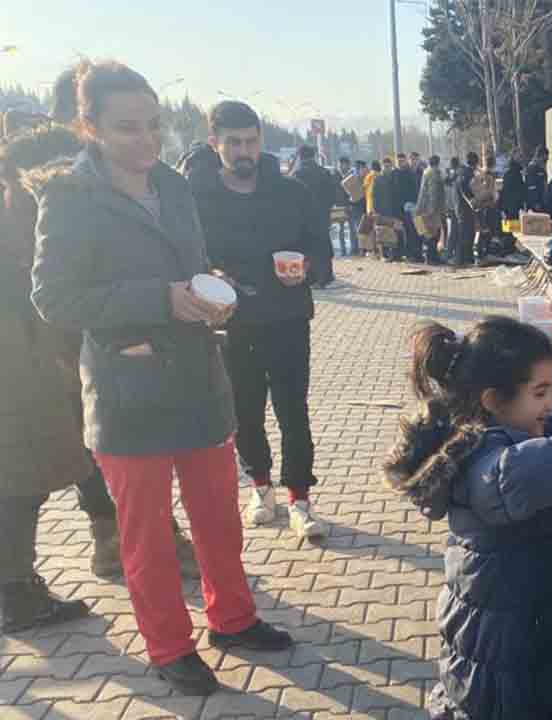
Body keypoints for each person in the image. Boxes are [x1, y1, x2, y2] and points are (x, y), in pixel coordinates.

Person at [29, 62, 291, 695]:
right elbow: (54, 297)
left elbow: (191, 266)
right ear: (87, 126)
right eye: (127, 128)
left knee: (218, 517)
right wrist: (162, 299)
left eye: (153, 126)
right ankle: (169, 648)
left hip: (199, 377)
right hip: (128, 389)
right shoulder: (68, 195)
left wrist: (213, 293)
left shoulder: (173, 187)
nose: (145, 140)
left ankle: (232, 618)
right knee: (145, 536)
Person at [383, 316, 552, 720]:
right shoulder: (487, 464)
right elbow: (528, 471)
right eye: (541, 392)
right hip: (501, 660)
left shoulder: (516, 428)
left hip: (531, 633)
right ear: (493, 400)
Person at [190, 100, 329, 541]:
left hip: (288, 318)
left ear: (261, 141)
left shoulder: (292, 194)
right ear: (215, 144)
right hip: (232, 322)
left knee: (293, 410)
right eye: (233, 142)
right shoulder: (198, 200)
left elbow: (322, 252)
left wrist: (307, 267)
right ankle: (261, 488)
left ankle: (300, 498)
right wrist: (208, 277)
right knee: (244, 411)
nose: (243, 150)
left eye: (251, 141)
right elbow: (188, 259)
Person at [0, 125, 95, 633]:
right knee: (17, 484)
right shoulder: (17, 228)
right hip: (17, 375)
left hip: (33, 370)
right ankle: (15, 593)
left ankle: (19, 582)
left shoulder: (27, 223)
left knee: (25, 484)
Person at [291, 145, 339, 287]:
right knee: (324, 246)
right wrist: (325, 210)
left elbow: (294, 200)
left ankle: (313, 279)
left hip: (305, 219)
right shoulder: (324, 172)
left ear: (300, 156)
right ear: (314, 155)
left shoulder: (298, 174)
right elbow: (332, 195)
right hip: (323, 217)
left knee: (309, 249)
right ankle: (327, 276)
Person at [416, 155, 447, 264]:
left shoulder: (426, 172)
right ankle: (432, 258)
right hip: (432, 209)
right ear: (437, 163)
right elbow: (433, 193)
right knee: (434, 233)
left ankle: (431, 257)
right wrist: (433, 210)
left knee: (429, 233)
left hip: (425, 207)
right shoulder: (434, 173)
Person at [450, 153, 478, 266]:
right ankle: (461, 259)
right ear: (476, 162)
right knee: (465, 233)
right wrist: (471, 200)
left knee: (467, 232)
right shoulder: (466, 173)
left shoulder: (464, 172)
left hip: (461, 207)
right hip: (463, 208)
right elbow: (464, 188)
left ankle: (466, 258)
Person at [472, 154, 501, 261]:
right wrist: (492, 200)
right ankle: (484, 252)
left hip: (484, 205)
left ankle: (483, 251)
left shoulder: (482, 174)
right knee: (486, 230)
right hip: (487, 205)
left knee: (484, 230)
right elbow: (489, 191)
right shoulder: (487, 175)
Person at [373, 158, 402, 260]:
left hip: (394, 210)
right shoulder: (378, 179)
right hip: (382, 210)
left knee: (395, 232)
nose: (387, 169)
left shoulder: (395, 178)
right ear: (382, 167)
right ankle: (385, 254)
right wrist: (376, 210)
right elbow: (375, 196)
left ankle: (395, 254)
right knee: (384, 232)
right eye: (385, 167)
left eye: (389, 166)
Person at [395, 153, 423, 262]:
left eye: (416, 160)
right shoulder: (403, 173)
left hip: (419, 206)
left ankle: (418, 253)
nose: (413, 162)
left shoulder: (420, 172)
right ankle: (412, 254)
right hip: (408, 206)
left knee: (419, 231)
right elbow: (399, 192)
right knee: (411, 231)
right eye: (412, 160)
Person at [499, 153, 526, 221]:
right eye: (520, 157)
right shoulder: (517, 174)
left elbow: (504, 191)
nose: (521, 159)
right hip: (515, 207)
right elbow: (520, 191)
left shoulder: (508, 173)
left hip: (510, 207)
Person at [524, 146, 549, 212]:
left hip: (542, 203)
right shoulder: (532, 169)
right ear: (539, 156)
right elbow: (531, 187)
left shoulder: (541, 169)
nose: (546, 161)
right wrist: (535, 202)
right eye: (545, 159)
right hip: (536, 205)